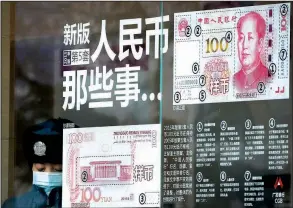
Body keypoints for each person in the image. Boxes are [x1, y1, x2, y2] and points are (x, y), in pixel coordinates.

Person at [2, 118, 77, 208]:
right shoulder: (13, 205)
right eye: (40, 169)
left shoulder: (82, 202)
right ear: (32, 167)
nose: (48, 174)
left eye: (58, 169)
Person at [234, 11, 269, 91]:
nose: (244, 45)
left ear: (260, 44)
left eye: (250, 38)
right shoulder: (232, 80)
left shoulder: (269, 77)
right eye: (241, 38)